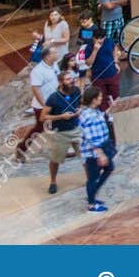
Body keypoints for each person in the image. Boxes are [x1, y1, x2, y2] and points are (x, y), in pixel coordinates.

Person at [42, 67, 84, 195]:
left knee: (86, 155)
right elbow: (43, 117)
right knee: (55, 160)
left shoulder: (76, 91)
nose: (71, 81)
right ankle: (53, 181)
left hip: (76, 129)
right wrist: (61, 116)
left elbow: (82, 103)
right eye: (68, 79)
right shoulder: (53, 98)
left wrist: (80, 110)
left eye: (72, 78)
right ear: (60, 82)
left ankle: (90, 178)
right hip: (60, 133)